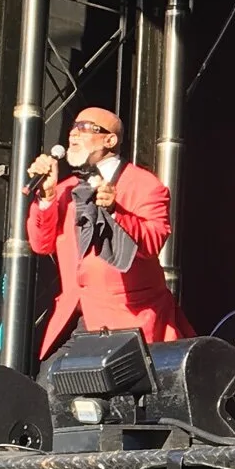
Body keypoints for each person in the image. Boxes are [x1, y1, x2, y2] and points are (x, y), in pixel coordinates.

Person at [25, 108, 188, 359]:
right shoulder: (65, 189)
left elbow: (153, 242)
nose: (73, 134)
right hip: (75, 316)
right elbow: (41, 244)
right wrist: (46, 198)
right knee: (50, 387)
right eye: (73, 126)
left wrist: (115, 211)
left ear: (109, 140)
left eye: (85, 127)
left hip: (126, 320)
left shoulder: (144, 185)